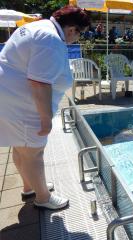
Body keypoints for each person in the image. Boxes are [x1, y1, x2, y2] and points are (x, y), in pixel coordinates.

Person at [0, 6, 90, 210]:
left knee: (20, 146)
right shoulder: (51, 40)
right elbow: (39, 83)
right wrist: (46, 118)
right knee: (33, 152)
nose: (77, 38)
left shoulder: (39, 26)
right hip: (21, 103)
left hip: (10, 97)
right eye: (80, 34)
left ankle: (29, 186)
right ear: (72, 29)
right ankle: (42, 198)